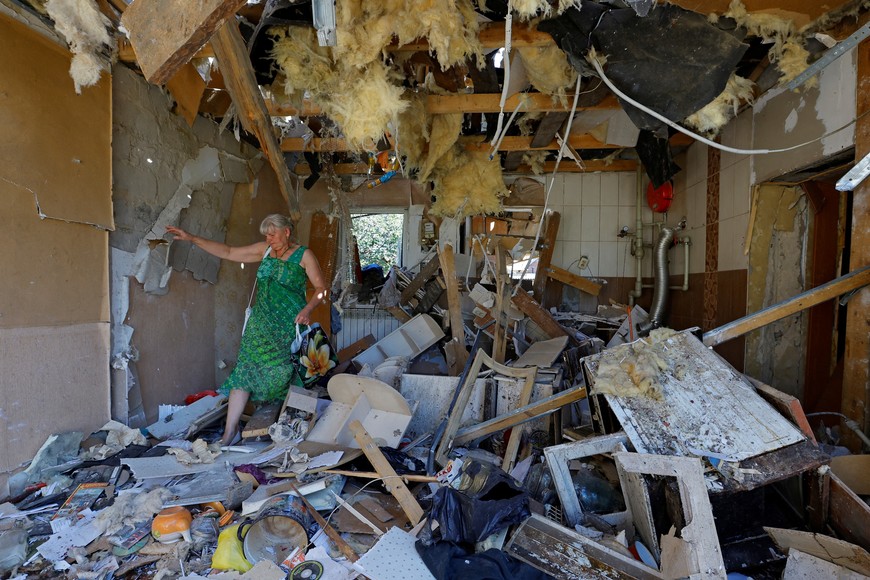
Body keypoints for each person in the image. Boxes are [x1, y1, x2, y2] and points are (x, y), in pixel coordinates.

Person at [166, 214, 329, 445]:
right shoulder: (264, 250)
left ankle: (289, 429)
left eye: (272, 233)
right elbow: (228, 252)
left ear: (287, 232)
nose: (268, 238)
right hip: (260, 324)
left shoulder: (304, 255)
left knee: (286, 372)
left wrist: (308, 309)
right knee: (244, 372)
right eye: (266, 234)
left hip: (288, 325)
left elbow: (322, 289)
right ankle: (229, 433)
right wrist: (192, 238)